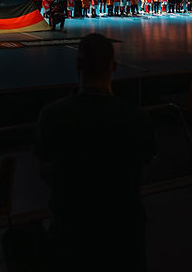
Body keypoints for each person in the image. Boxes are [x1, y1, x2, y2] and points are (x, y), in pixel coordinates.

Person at [30, 34, 154, 270]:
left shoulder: (54, 116)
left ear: (78, 64)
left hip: (71, 232)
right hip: (124, 236)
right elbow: (144, 165)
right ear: (113, 66)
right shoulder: (137, 119)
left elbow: (46, 172)